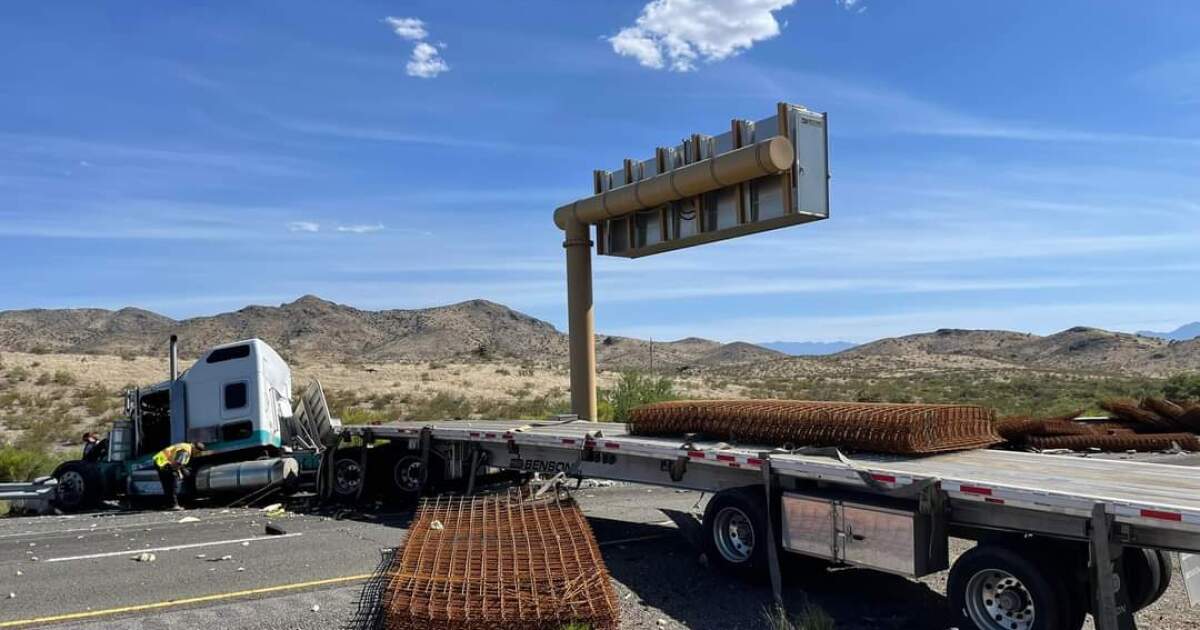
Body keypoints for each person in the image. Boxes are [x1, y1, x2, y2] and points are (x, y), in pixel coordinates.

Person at [153, 442, 205, 510]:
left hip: (160, 462)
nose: (197, 454)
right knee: (172, 485)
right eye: (197, 452)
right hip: (165, 464)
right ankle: (174, 505)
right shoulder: (186, 450)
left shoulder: (185, 446)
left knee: (167, 485)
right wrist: (181, 473)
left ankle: (169, 505)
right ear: (195, 449)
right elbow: (177, 463)